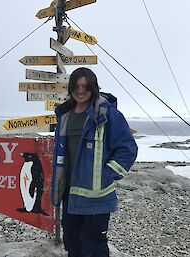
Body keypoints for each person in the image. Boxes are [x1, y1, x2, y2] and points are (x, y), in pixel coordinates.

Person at [51, 67, 138, 257]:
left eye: (86, 86)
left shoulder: (108, 115)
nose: (81, 90)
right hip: (70, 194)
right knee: (73, 244)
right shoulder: (64, 116)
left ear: (94, 87)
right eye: (76, 85)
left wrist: (104, 175)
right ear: (71, 88)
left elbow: (127, 150)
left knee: (94, 248)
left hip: (96, 198)